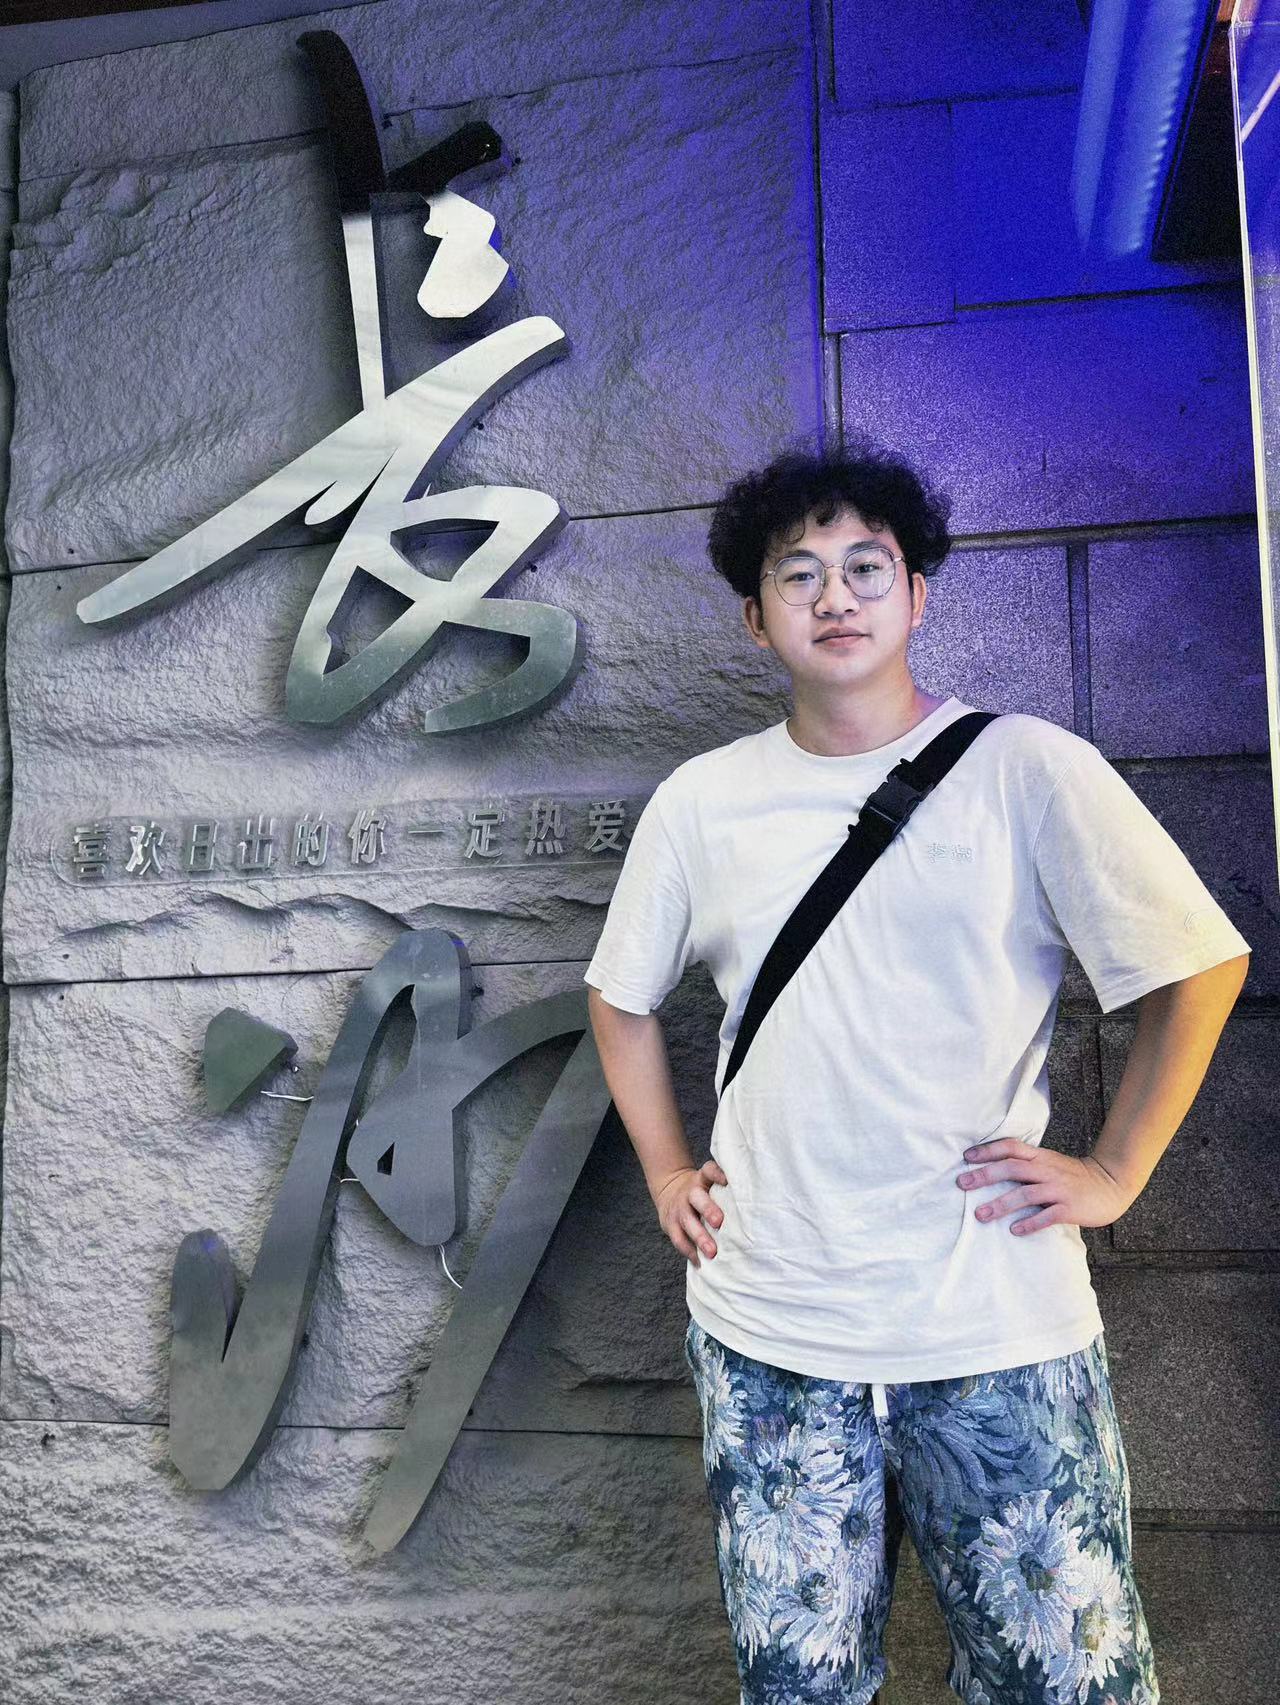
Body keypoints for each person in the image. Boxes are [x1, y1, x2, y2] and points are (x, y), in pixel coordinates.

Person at [583, 441, 1250, 1705]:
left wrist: (1114, 1171)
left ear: (916, 593)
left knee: (1064, 1683)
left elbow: (1198, 965)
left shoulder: (1025, 769)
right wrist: (667, 1170)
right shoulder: (701, 803)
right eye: (797, 574)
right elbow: (618, 1001)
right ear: (755, 617)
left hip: (994, 1325)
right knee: (801, 1689)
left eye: (864, 567)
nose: (833, 597)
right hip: (772, 1330)